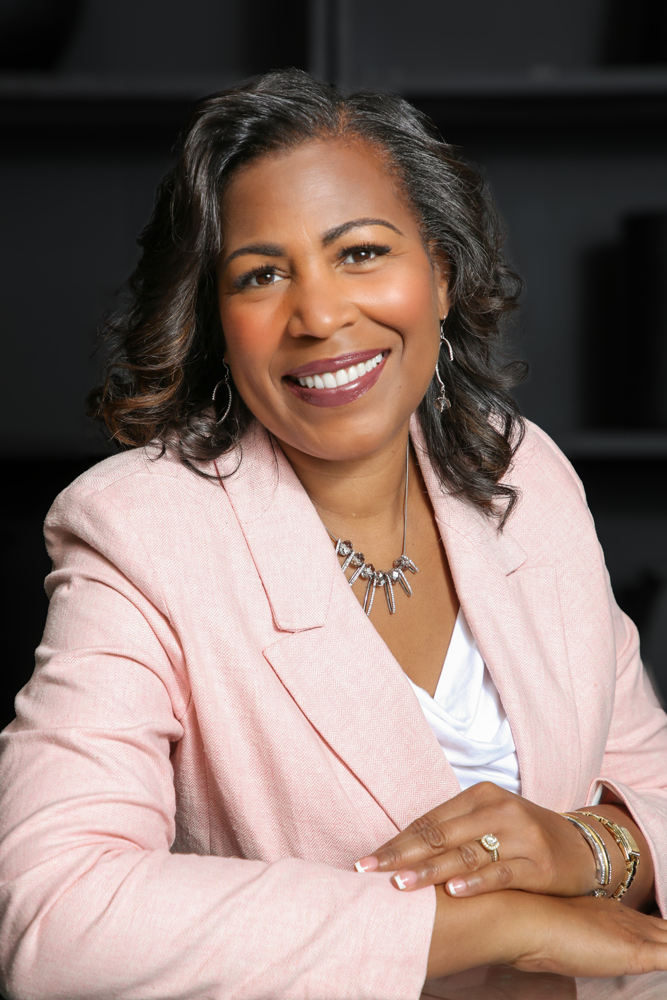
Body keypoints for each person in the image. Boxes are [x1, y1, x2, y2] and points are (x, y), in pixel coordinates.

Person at [1, 68, 667, 1000]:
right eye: (262, 274)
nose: (317, 316)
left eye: (359, 253)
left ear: (438, 274)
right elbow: (57, 915)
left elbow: (649, 776)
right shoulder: (140, 532)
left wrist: (588, 849)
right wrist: (487, 918)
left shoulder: (521, 471)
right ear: (215, 322)